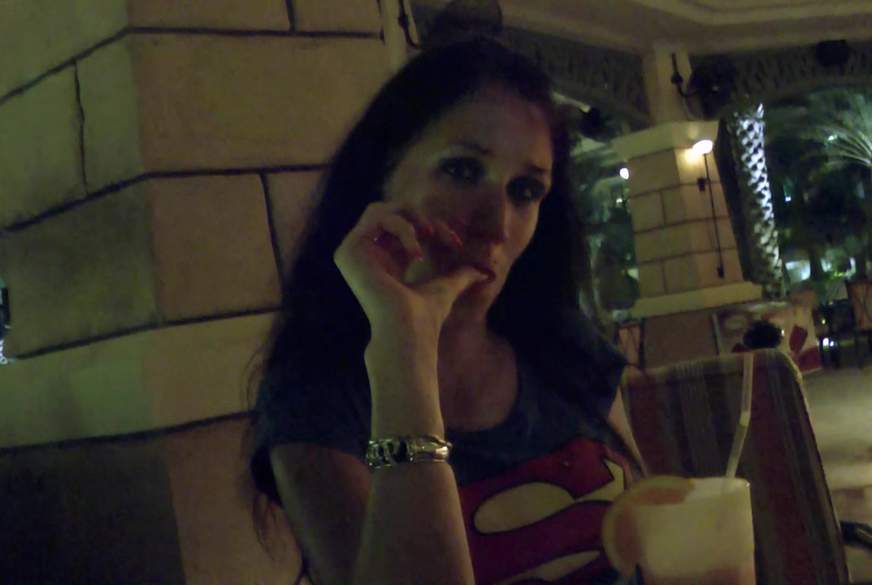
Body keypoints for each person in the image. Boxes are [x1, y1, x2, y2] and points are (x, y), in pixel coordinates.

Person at [247, 34, 646, 585]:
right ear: (383, 176)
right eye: (462, 171)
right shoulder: (316, 399)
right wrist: (404, 345)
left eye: (525, 191)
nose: (496, 224)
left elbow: (653, 532)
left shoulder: (561, 346)